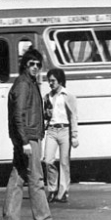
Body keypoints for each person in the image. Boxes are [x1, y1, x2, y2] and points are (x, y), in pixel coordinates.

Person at [2, 48, 65, 220]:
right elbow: (18, 115)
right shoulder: (24, 84)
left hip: (27, 136)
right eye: (32, 64)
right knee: (36, 179)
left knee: (18, 177)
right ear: (25, 65)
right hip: (28, 138)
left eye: (38, 65)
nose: (36, 68)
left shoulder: (28, 83)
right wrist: (24, 142)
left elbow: (25, 113)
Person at [43, 68, 79, 204]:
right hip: (52, 131)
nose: (50, 84)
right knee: (48, 160)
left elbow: (73, 116)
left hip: (65, 130)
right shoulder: (47, 97)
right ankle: (52, 189)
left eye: (53, 81)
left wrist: (74, 135)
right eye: (49, 81)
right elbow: (46, 116)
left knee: (64, 163)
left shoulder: (68, 95)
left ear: (60, 81)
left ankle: (63, 192)